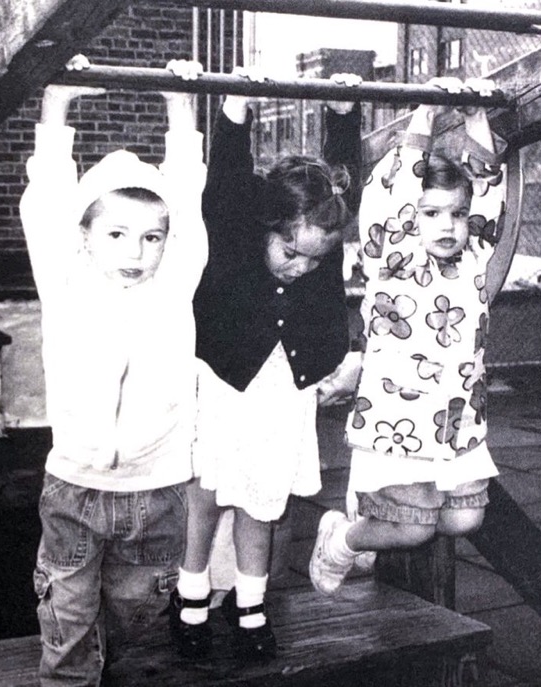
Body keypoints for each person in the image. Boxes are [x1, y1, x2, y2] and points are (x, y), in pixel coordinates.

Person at [19, 56, 208, 685]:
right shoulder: (66, 282)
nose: (137, 252)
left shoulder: (175, 284)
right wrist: (57, 106)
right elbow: (48, 202)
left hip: (158, 492)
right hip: (76, 488)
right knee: (68, 623)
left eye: (152, 237)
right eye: (118, 235)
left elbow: (185, 199)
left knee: (139, 629)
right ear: (84, 237)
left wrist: (180, 107)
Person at [168, 67, 364, 663]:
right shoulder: (235, 235)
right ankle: (191, 593)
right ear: (266, 228)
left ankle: (249, 602)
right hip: (227, 380)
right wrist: (234, 110)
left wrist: (344, 111)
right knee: (208, 489)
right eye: (290, 251)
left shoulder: (318, 248)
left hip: (286, 391)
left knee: (265, 498)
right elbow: (226, 185)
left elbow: (343, 186)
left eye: (314, 258)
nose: (300, 267)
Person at [309, 77, 508, 595]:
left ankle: (374, 521)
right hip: (398, 420)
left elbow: (488, 193)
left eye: (457, 214)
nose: (448, 225)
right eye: (431, 213)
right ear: (406, 220)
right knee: (414, 526)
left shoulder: (472, 260)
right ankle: (345, 539)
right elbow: (393, 196)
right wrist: (424, 115)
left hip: (457, 420)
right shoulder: (392, 257)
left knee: (465, 520)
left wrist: (475, 118)